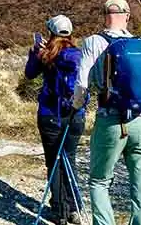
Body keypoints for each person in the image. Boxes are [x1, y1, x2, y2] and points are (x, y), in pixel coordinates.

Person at [71, 0, 141, 225]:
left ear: (104, 15)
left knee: (100, 181)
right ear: (128, 16)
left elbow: (82, 84)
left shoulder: (93, 41)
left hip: (111, 120)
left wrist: (75, 107)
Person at [25, 15, 87, 225]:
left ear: (50, 32)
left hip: (50, 115)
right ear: (70, 33)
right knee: (70, 159)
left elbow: (30, 74)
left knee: (54, 162)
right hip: (76, 115)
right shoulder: (79, 55)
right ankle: (74, 209)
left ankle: (60, 212)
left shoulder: (45, 54)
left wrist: (35, 52)